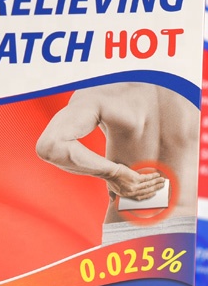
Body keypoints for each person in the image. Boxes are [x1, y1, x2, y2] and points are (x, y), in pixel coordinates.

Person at [36, 82, 199, 244]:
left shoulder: (102, 88)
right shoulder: (198, 87)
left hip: (125, 228)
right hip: (189, 226)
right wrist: (115, 174)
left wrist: (115, 174)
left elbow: (50, 145)